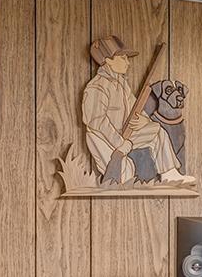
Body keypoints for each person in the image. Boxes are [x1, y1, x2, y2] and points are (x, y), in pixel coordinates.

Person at [80, 37, 194, 186]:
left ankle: (170, 175)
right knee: (124, 177)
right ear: (108, 60)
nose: (127, 62)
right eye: (123, 58)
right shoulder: (97, 87)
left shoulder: (121, 84)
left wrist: (144, 120)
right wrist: (120, 143)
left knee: (157, 131)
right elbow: (96, 122)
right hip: (103, 140)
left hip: (125, 135)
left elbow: (136, 108)